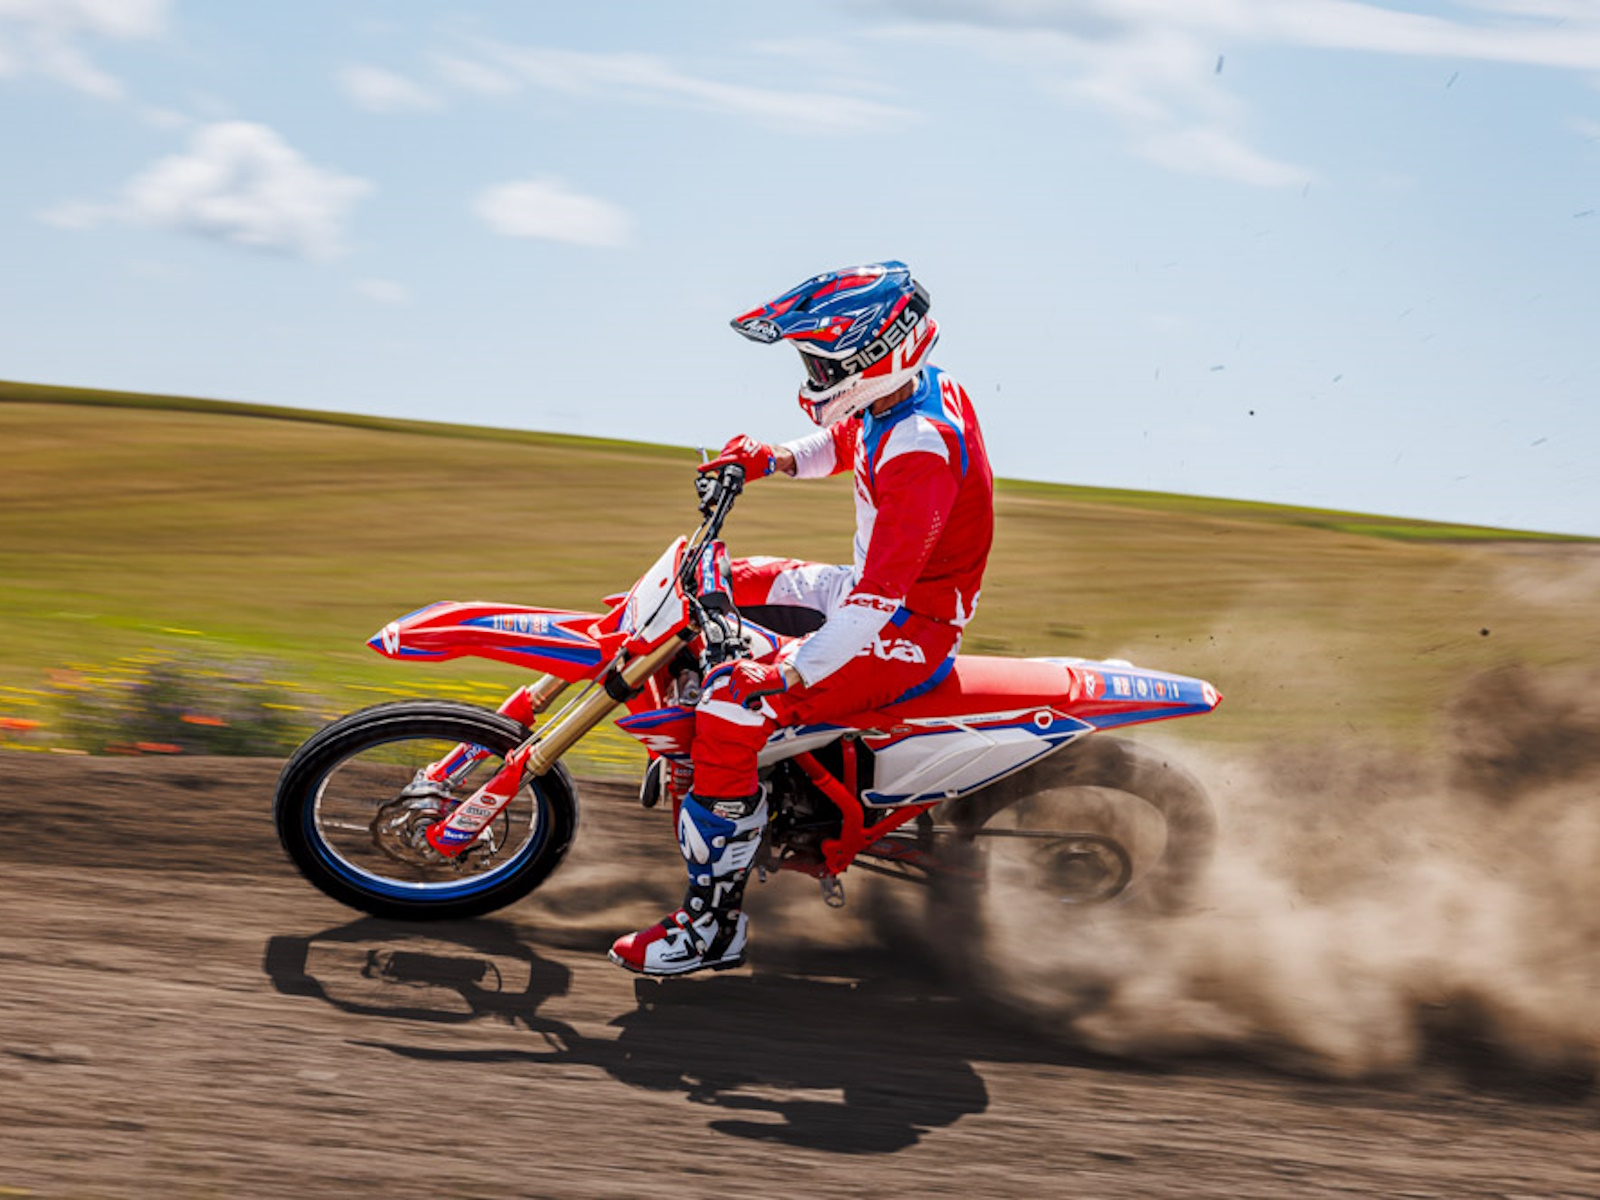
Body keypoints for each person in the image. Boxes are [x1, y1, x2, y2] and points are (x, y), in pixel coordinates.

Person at [609, 261, 995, 976]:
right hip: (866, 595)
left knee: (734, 704)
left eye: (822, 362)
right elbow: (848, 441)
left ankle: (712, 927)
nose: (813, 375)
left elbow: (878, 601)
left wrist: (785, 672)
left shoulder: (922, 449)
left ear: (873, 356)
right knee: (709, 580)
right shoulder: (908, 394)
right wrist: (775, 460)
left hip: (905, 626)